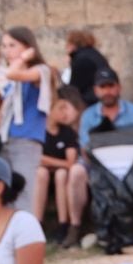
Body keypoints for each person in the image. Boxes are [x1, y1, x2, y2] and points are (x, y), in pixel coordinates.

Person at [0, 26, 56, 220]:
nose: (7, 51)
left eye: (13, 45)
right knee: (6, 194)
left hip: (27, 140)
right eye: (4, 46)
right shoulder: (13, 83)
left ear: (28, 47)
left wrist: (22, 59)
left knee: (23, 193)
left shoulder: (40, 71)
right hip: (8, 139)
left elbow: (12, 73)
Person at [37, 88, 85, 247]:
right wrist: (59, 163)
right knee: (41, 172)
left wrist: (51, 162)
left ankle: (64, 224)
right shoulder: (37, 130)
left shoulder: (67, 132)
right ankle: (37, 224)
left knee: (62, 174)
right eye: (61, 108)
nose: (65, 112)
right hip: (42, 173)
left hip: (60, 175)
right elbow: (37, 158)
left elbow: (70, 162)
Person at [75, 67, 133, 151]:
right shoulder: (88, 116)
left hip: (130, 160)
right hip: (96, 161)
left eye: (111, 86)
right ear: (95, 90)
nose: (107, 91)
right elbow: (85, 147)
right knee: (77, 165)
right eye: (102, 87)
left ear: (119, 88)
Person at [62, 28, 110, 106]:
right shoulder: (93, 54)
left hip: (91, 102)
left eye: (68, 44)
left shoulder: (81, 59)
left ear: (73, 45)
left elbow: (75, 88)